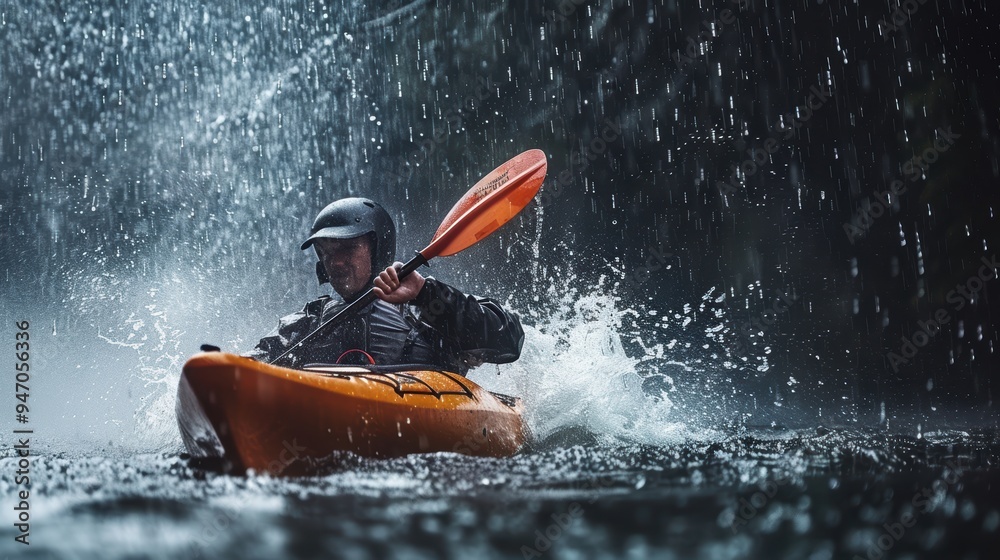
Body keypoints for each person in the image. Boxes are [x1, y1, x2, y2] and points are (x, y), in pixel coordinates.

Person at [247, 197, 524, 375]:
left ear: (378, 249)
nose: (336, 262)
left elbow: (509, 340)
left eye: (348, 248)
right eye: (327, 252)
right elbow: (253, 364)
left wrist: (425, 293)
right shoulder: (311, 321)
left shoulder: (426, 309)